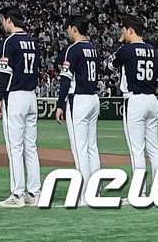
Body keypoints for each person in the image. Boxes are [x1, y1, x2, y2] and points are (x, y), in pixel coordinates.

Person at [109, 17, 158, 197]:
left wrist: (118, 43)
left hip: (135, 100)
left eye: (124, 30)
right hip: (152, 99)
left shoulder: (126, 50)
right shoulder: (154, 51)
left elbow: (110, 64)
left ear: (131, 30)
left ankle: (139, 193)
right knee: (154, 148)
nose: (122, 34)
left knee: (137, 149)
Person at [0, 6, 41, 208]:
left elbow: (4, 73)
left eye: (3, 20)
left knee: (15, 147)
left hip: (15, 97)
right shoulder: (32, 41)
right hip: (32, 96)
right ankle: (35, 192)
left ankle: (17, 194)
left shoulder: (9, 42)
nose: (3, 24)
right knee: (30, 147)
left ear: (9, 20)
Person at [55, 15, 101, 204]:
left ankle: (83, 196)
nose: (67, 32)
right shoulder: (93, 49)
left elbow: (65, 79)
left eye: (68, 29)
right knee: (92, 148)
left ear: (74, 28)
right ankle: (95, 192)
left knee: (80, 149)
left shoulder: (73, 50)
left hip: (79, 99)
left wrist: (59, 104)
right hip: (93, 98)